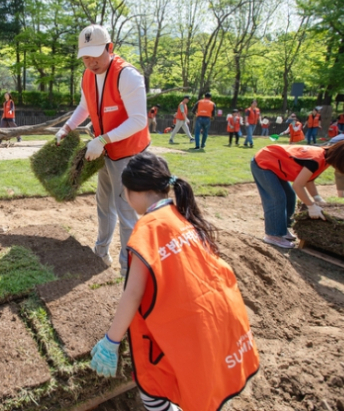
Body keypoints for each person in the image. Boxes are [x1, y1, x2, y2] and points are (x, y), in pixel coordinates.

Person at [89, 152, 260, 411]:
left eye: (124, 194)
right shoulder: (182, 215)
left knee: (153, 392)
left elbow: (133, 293)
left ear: (134, 191)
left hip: (194, 327)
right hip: (225, 319)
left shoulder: (147, 229)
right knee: (206, 385)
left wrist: (111, 342)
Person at [54, 24, 150, 276]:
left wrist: (103, 140)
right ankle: (100, 252)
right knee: (103, 203)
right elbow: (85, 106)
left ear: (110, 48)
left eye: (96, 55)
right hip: (104, 150)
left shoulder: (127, 76)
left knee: (126, 210)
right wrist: (67, 127)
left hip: (129, 153)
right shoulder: (87, 75)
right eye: (85, 57)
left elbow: (139, 120)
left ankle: (128, 270)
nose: (91, 62)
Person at [251, 140, 344, 249]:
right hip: (264, 162)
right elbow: (298, 186)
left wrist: (317, 198)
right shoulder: (316, 159)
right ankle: (273, 235)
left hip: (273, 163)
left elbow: (308, 180)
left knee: (290, 196)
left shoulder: (325, 157)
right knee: (277, 198)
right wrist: (311, 206)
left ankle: (282, 228)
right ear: (343, 157)